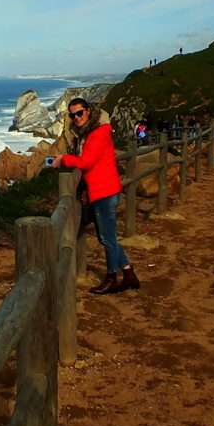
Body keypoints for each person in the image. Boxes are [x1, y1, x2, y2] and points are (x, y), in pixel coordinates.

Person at [49, 98, 139, 295]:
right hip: (100, 191)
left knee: (107, 238)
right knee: (107, 237)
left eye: (80, 113)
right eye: (72, 115)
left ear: (89, 111)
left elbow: (87, 161)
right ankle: (128, 273)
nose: (76, 118)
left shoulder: (98, 133)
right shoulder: (87, 133)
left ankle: (112, 278)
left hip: (104, 192)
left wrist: (63, 159)